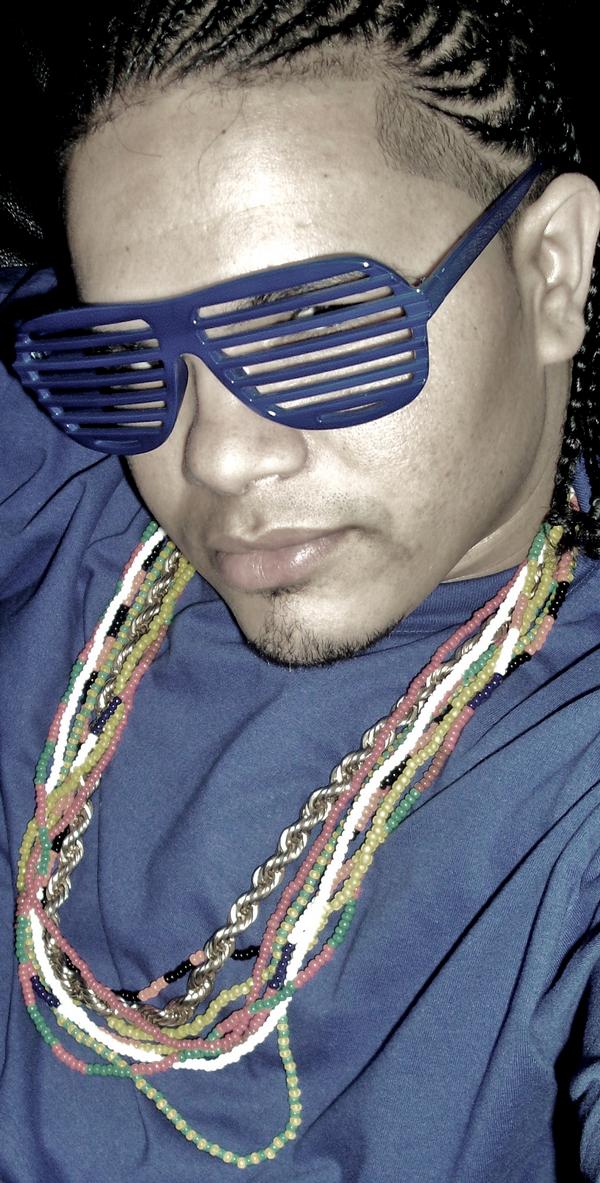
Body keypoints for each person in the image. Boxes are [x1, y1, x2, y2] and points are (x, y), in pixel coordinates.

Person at [1, 2, 600, 1179]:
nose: (216, 454)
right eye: (129, 352)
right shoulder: (61, 458)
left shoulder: (568, 781)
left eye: (318, 323)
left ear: (551, 268)